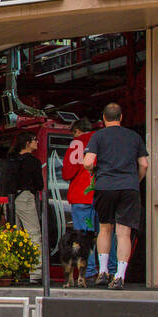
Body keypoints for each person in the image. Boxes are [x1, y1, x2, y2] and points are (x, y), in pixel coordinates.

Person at [83, 102, 149, 290]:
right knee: (124, 233)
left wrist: (95, 171)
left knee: (104, 228)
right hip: (129, 187)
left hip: (105, 186)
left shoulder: (98, 136)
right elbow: (144, 164)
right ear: (121, 117)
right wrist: (135, 181)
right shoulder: (134, 137)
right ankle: (119, 276)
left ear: (103, 119)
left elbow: (87, 162)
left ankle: (103, 272)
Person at [62, 118, 99, 283]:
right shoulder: (102, 139)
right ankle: (109, 270)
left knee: (84, 237)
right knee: (106, 234)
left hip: (81, 195)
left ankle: (89, 272)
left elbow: (67, 172)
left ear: (77, 131)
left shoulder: (77, 143)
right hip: (101, 195)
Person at [10, 132, 44, 283]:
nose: (37, 142)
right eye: (35, 140)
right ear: (27, 143)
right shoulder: (33, 162)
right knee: (33, 234)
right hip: (25, 197)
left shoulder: (10, 160)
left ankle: (13, 270)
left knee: (13, 235)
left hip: (9, 199)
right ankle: (35, 273)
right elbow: (39, 185)